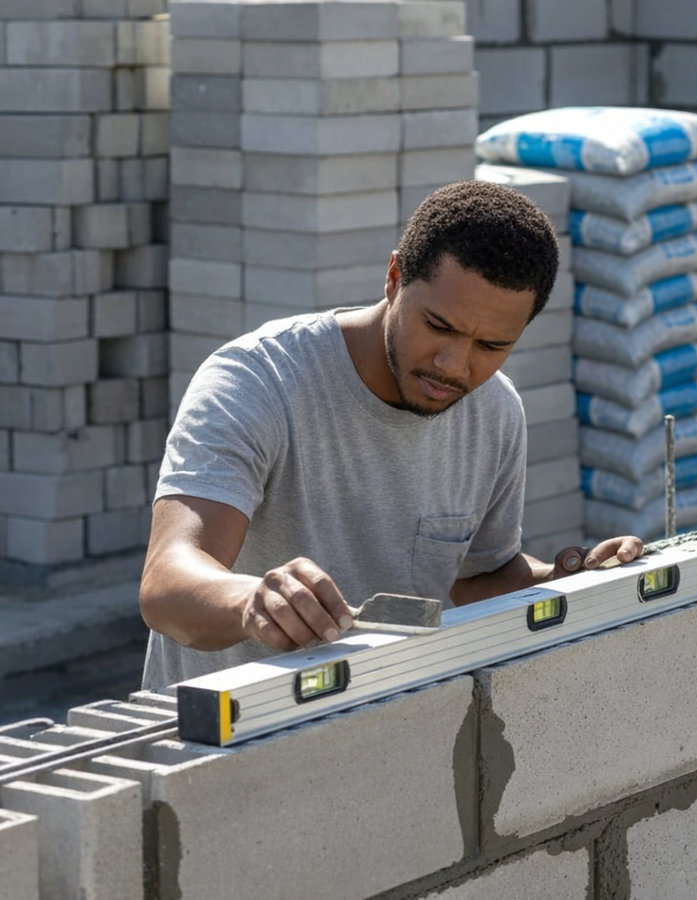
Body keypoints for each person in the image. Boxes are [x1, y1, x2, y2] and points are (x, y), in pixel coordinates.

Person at [139, 180, 642, 690]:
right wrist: (251, 603)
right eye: (439, 326)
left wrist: (564, 583)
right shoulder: (257, 381)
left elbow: (478, 579)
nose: (454, 366)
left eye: (491, 345)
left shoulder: (494, 411)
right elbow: (166, 586)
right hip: (228, 740)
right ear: (394, 277)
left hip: (384, 728)